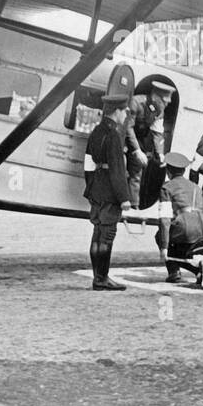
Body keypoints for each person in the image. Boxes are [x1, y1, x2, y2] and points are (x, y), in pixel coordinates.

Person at [83, 94, 132, 291]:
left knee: (97, 234)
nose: (126, 114)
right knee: (107, 235)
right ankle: (102, 279)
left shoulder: (95, 131)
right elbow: (117, 170)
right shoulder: (114, 135)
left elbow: (88, 163)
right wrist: (124, 198)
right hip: (111, 192)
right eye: (124, 111)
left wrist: (91, 185)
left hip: (96, 188)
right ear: (117, 111)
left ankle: (98, 277)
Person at [155, 151, 203, 283]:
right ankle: (200, 269)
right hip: (201, 227)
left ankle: (174, 272)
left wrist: (164, 247)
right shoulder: (196, 187)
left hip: (184, 227)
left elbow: (165, 219)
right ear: (184, 170)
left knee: (160, 236)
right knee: (183, 246)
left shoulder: (166, 188)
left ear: (168, 171)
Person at [125, 81, 174, 208]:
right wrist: (137, 150)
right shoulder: (136, 102)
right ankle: (126, 204)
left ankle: (133, 206)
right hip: (123, 140)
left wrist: (161, 154)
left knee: (137, 173)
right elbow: (128, 127)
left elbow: (157, 133)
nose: (167, 103)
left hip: (138, 141)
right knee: (124, 171)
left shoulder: (159, 110)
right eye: (165, 100)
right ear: (155, 97)